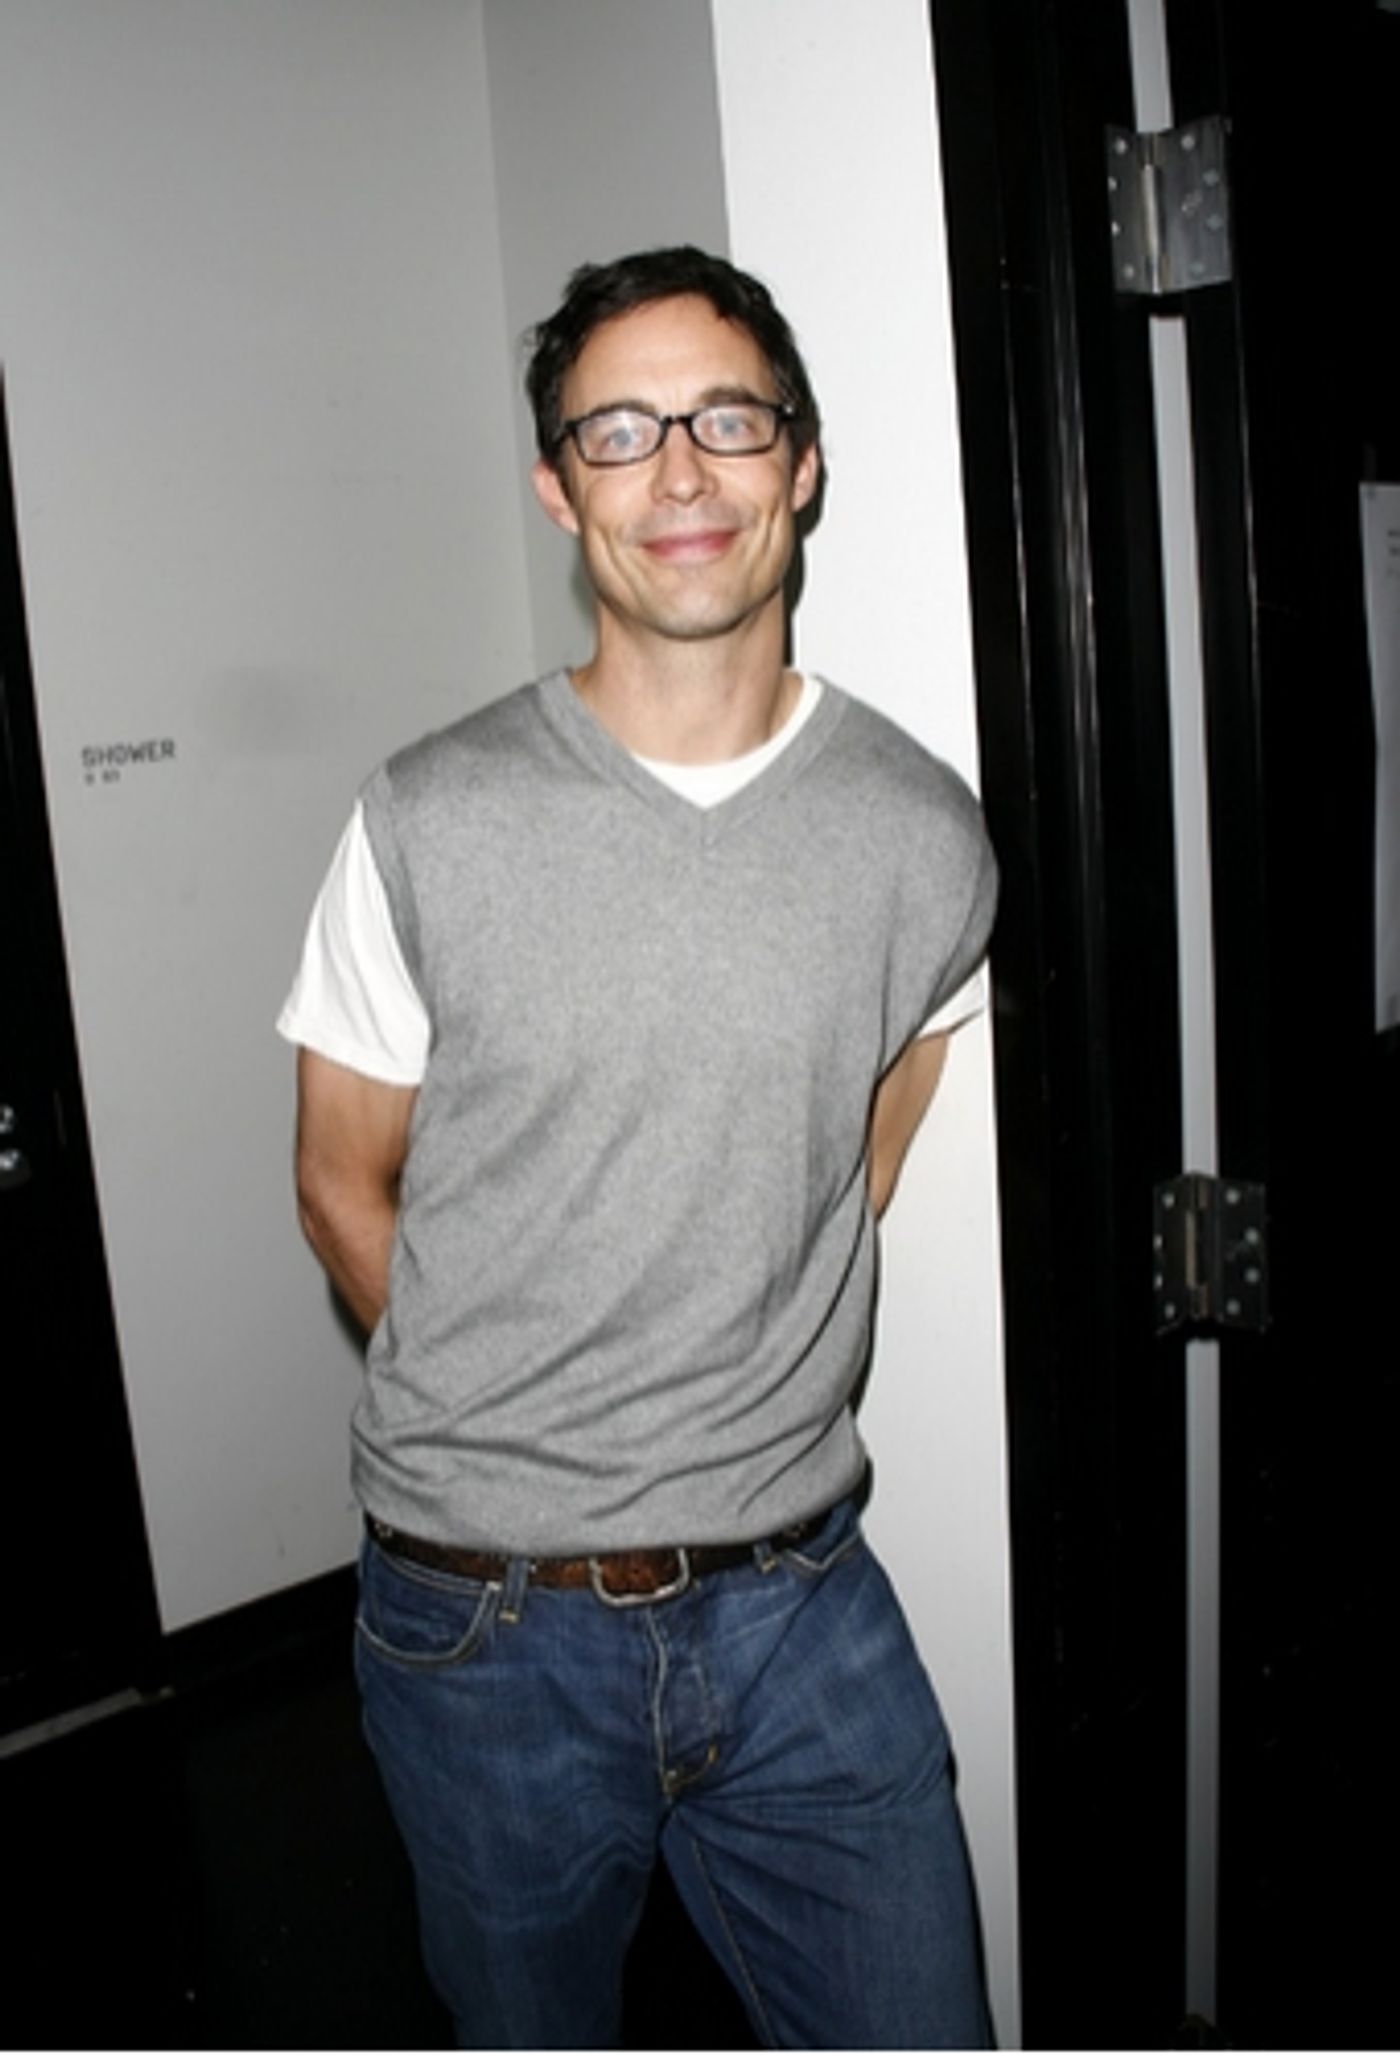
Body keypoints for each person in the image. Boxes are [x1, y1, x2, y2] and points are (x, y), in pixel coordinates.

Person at [278, 245, 997, 2050]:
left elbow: (858, 1160)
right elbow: (342, 1177)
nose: (679, 471)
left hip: (805, 1606)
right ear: (558, 487)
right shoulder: (426, 818)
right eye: (620, 430)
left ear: (800, 463)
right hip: (487, 1634)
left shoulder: (924, 838)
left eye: (726, 420)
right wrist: (510, 1431)